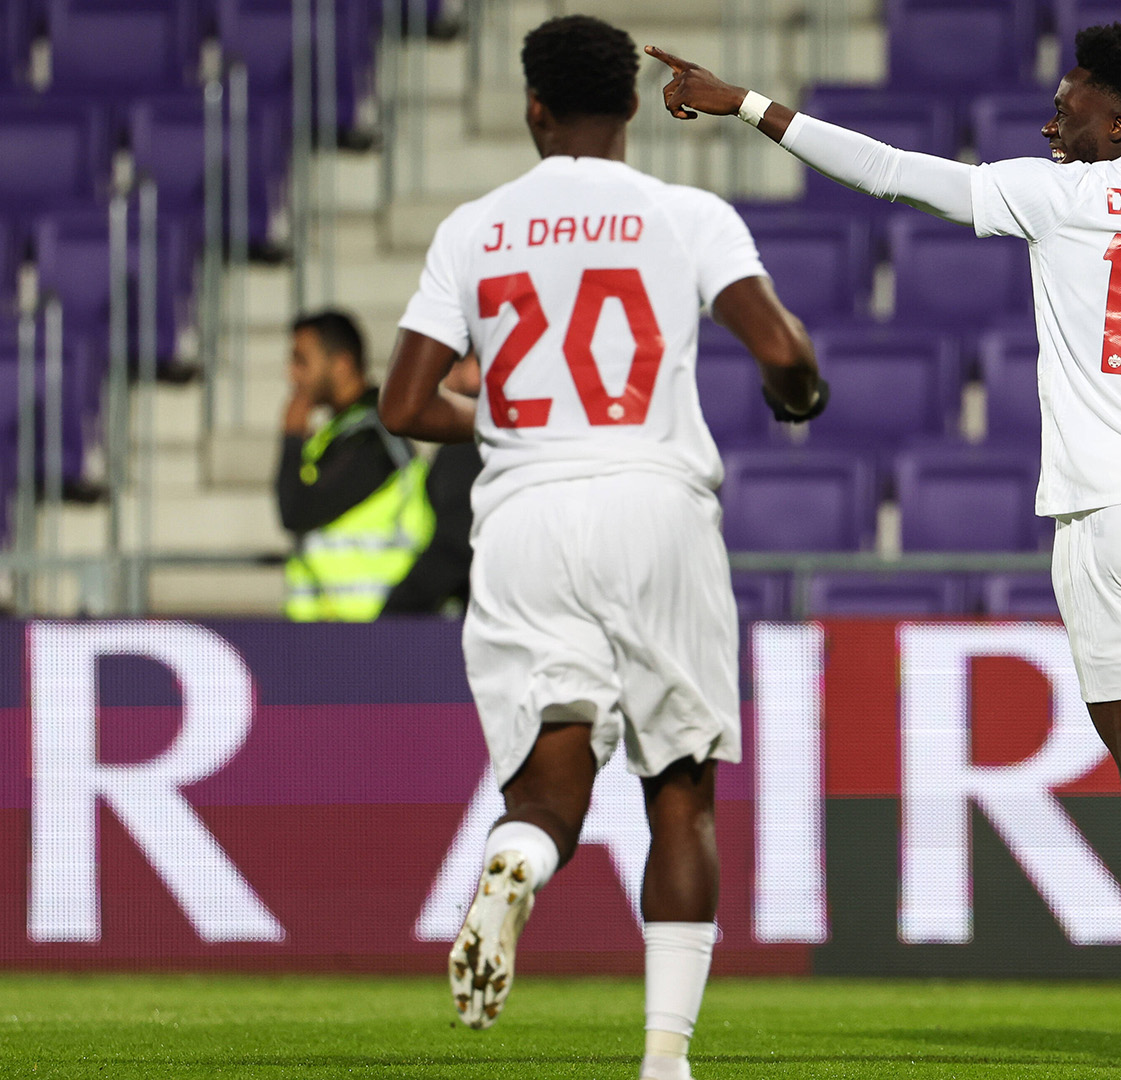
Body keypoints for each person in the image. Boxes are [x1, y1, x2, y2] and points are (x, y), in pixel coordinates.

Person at [650, 22, 1121, 1064]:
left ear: (1117, 119)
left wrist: (747, 105)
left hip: (1108, 512)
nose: (1053, 115)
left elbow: (889, 174)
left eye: (1070, 101)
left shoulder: (1064, 196)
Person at [376, 16, 825, 1080]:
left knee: (546, 786)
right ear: (630, 108)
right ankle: (664, 1061)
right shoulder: (684, 215)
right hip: (651, 503)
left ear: (533, 108)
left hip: (525, 515)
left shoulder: (474, 230)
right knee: (679, 787)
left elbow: (402, 403)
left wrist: (498, 423)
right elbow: (784, 351)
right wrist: (795, 393)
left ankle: (514, 863)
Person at [277, 310, 433, 621]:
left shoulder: (376, 436)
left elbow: (297, 510)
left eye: (301, 360)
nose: (292, 374)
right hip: (336, 627)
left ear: (342, 364)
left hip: (376, 630)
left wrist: (292, 440)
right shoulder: (341, 432)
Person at [381, 356, 483, 616]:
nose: (443, 377)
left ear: (475, 366)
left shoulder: (470, 443)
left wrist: (396, 614)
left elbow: (455, 544)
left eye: (453, 362)